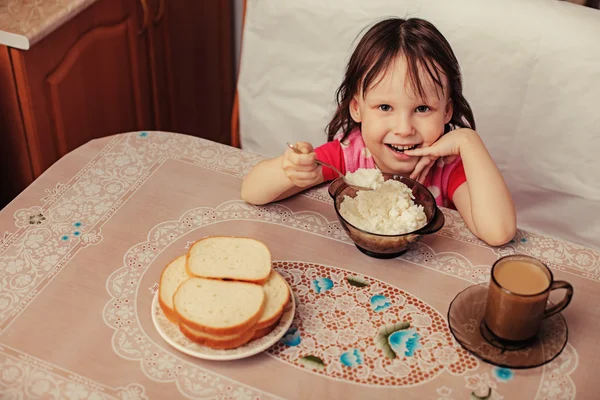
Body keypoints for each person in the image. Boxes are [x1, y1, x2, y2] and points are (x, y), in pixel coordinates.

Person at [241, 17, 516, 246]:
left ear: (446, 111)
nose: (404, 129)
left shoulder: (447, 168)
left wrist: (469, 141)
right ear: (357, 108)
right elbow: (252, 192)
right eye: (385, 107)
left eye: (422, 109)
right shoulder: (348, 158)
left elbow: (499, 232)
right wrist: (288, 169)